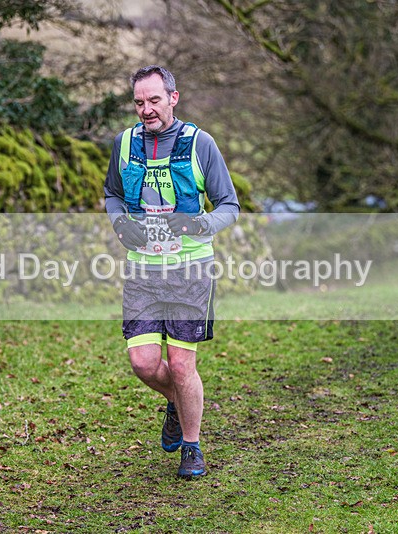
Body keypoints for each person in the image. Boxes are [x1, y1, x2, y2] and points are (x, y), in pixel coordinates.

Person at [103, 65, 240, 477]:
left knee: (182, 367)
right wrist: (119, 223)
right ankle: (179, 404)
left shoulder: (200, 144)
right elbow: (112, 194)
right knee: (144, 364)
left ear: (173, 98)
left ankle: (192, 448)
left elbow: (229, 206)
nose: (146, 109)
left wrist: (203, 224)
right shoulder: (124, 143)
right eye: (139, 102)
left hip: (190, 271)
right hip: (143, 272)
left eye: (154, 100)